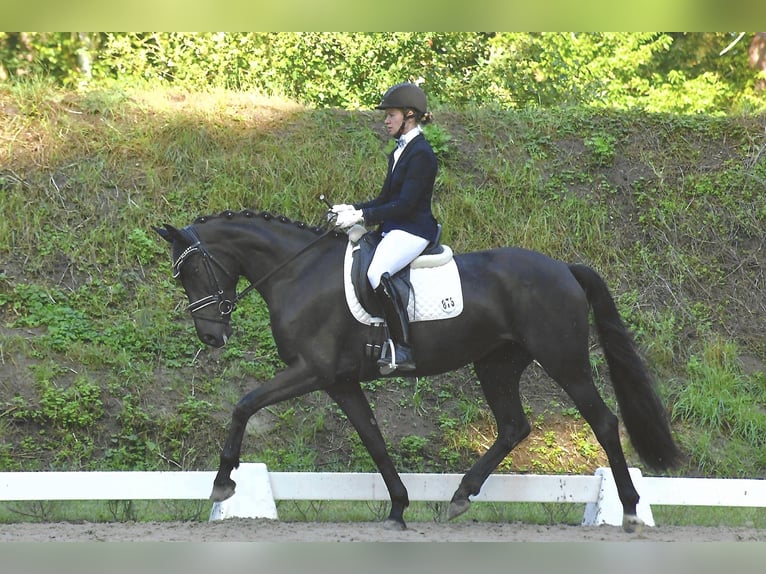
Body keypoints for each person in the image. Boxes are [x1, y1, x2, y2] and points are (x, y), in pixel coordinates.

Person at [332, 82, 439, 372]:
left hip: (414, 230)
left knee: (377, 272)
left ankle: (403, 348)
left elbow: (404, 205)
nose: (386, 121)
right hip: (395, 228)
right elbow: (384, 199)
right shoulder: (398, 152)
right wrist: (352, 208)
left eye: (391, 115)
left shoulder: (422, 154)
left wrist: (362, 217)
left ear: (410, 116)